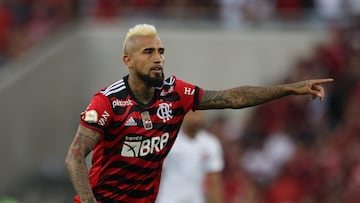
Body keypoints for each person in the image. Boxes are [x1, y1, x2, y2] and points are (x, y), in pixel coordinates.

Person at [64, 23, 333, 203]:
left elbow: (232, 97)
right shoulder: (107, 102)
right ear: (128, 61)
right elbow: (75, 157)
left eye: (161, 51)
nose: (158, 58)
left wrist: (290, 89)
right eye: (148, 52)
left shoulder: (176, 93)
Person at [156, 111, 224, 203]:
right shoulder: (169, 140)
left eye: (199, 114)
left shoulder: (211, 144)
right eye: (192, 114)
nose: (196, 119)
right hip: (168, 199)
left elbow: (214, 182)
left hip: (195, 199)